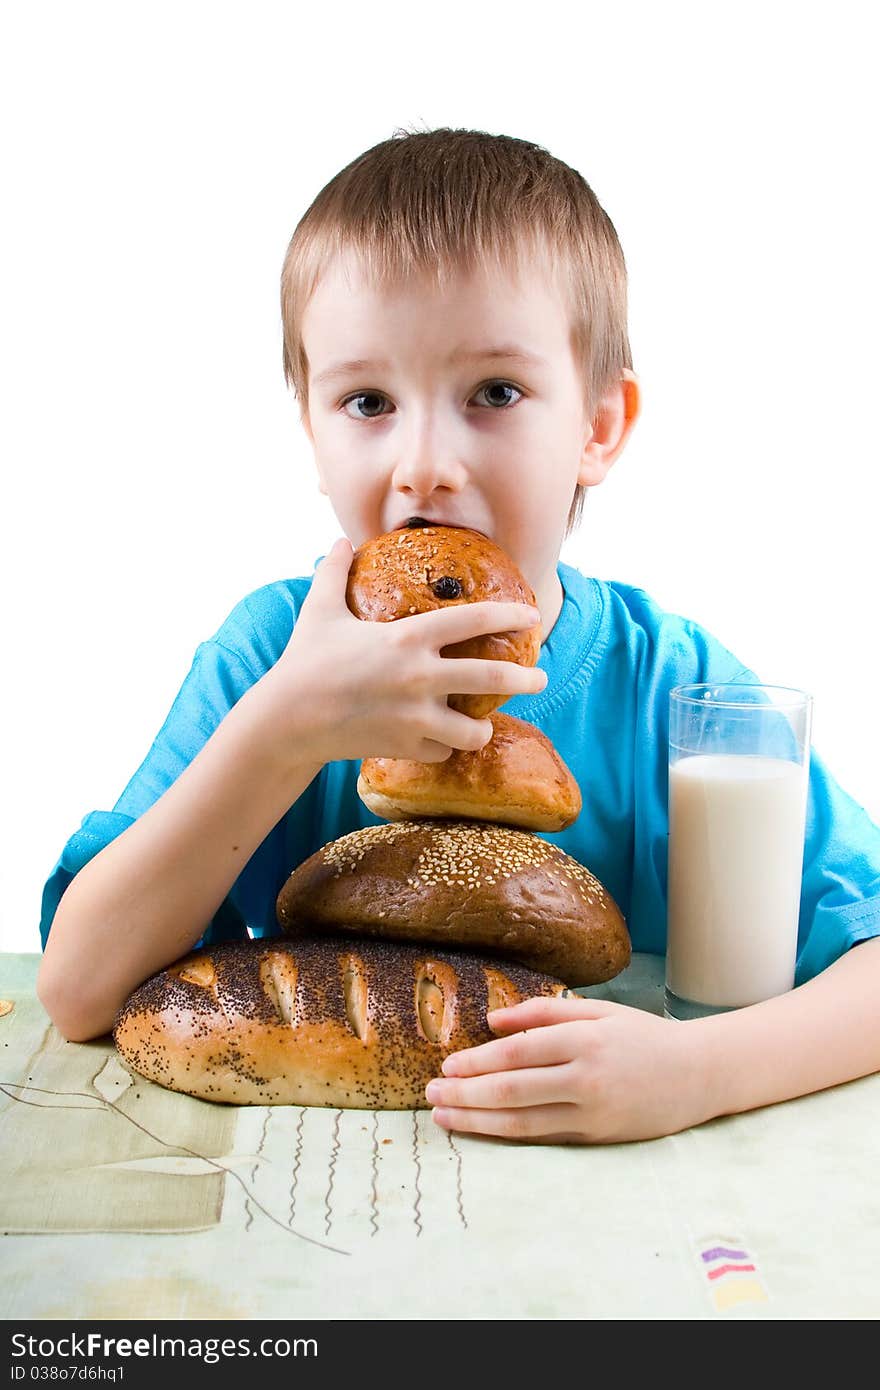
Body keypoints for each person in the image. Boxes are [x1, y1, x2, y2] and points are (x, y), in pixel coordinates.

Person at [38, 127, 880, 1144]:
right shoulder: (265, 657)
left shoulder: (671, 683)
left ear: (599, 427)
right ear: (311, 432)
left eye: (494, 393)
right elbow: (80, 992)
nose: (424, 463)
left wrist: (699, 1071)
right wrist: (283, 732)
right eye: (367, 401)